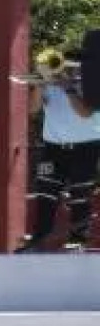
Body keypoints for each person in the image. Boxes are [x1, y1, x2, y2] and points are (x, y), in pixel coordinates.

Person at [22, 71, 100, 252]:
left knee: (80, 195)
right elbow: (32, 109)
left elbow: (85, 112)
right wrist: (40, 87)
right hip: (52, 149)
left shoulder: (93, 87)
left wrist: (69, 88)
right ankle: (39, 239)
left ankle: (78, 240)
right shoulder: (51, 86)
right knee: (45, 193)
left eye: (75, 68)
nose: (69, 72)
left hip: (86, 148)